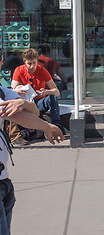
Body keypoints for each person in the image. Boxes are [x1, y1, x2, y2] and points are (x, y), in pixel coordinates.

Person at [0, 84, 64, 234]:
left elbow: (34, 111)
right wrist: (47, 127)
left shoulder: (2, 90)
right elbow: (14, 114)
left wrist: (24, 103)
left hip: (4, 180)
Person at [10, 49, 64, 133]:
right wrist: (19, 89)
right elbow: (12, 90)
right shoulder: (19, 70)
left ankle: (57, 126)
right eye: (29, 63)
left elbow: (56, 92)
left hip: (39, 102)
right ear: (24, 62)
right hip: (26, 103)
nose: (32, 66)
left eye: (34, 63)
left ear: (37, 61)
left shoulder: (42, 70)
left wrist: (46, 92)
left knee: (52, 97)